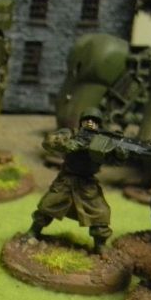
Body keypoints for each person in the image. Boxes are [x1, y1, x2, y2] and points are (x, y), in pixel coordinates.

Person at [25, 108, 112, 253]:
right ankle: (33, 232)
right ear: (81, 122)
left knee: (101, 213)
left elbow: (114, 160)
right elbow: (48, 142)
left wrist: (120, 155)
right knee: (47, 205)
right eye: (87, 120)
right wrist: (66, 143)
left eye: (94, 121)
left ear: (99, 124)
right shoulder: (71, 133)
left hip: (87, 184)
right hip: (66, 180)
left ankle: (100, 245)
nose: (90, 123)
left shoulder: (104, 140)